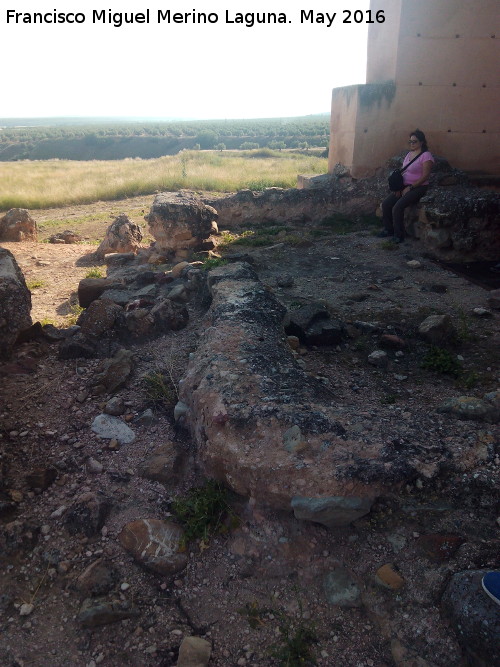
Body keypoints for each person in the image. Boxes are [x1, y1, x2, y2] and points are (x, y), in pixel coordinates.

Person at [380, 129, 435, 243]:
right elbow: (404, 171)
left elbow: (425, 176)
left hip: (419, 187)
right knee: (386, 204)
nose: (411, 144)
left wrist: (411, 187)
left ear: (421, 142)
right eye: (410, 142)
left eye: (414, 141)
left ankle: (399, 235)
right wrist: (399, 188)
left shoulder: (426, 156)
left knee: (397, 207)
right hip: (404, 186)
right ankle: (388, 229)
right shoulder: (409, 154)